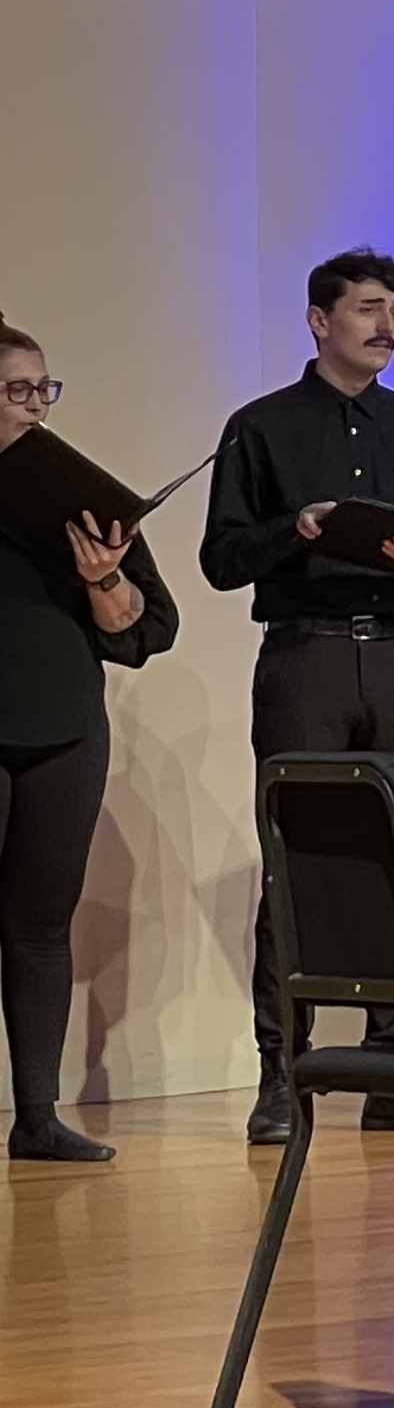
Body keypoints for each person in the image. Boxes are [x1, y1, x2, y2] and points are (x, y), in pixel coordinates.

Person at [204, 247, 394, 1145]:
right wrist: (300, 526)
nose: (385, 325)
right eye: (367, 307)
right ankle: (281, 1075)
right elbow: (221, 558)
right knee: (297, 856)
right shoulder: (261, 426)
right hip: (307, 655)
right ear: (320, 319)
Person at [0, 319, 180, 1163]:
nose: (36, 406)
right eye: (16, 390)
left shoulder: (76, 493)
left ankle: (36, 1114)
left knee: (40, 923)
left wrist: (103, 573)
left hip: (62, 726)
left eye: (43, 388)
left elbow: (147, 628)